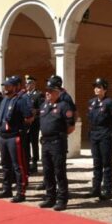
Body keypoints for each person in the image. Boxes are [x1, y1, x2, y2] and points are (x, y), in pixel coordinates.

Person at [38, 78, 76, 211]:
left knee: (59, 172)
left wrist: (60, 136)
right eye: (46, 91)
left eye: (50, 91)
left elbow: (71, 127)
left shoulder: (64, 105)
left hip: (57, 143)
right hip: (45, 143)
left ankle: (62, 199)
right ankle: (50, 197)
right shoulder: (43, 106)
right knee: (47, 171)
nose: (47, 93)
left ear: (57, 92)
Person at [0, 75, 33, 203]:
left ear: (16, 86)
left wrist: (21, 129)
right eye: (5, 86)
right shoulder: (4, 100)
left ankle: (20, 191)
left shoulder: (20, 100)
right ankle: (7, 188)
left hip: (14, 136)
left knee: (18, 166)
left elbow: (28, 117)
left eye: (9, 86)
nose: (6, 88)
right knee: (5, 165)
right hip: (3, 136)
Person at [87, 77, 112, 201]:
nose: (96, 89)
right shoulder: (92, 102)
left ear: (105, 89)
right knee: (96, 162)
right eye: (95, 87)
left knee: (106, 163)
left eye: (99, 87)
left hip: (105, 134)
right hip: (94, 134)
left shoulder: (110, 102)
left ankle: (107, 189)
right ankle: (96, 188)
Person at [24, 75, 43, 174]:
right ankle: (26, 162)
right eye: (26, 83)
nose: (27, 85)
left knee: (34, 143)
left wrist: (35, 113)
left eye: (29, 83)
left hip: (34, 123)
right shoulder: (23, 95)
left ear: (33, 84)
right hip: (25, 124)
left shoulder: (39, 94)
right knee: (25, 143)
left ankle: (34, 162)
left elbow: (42, 109)